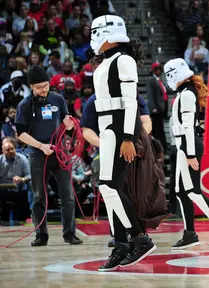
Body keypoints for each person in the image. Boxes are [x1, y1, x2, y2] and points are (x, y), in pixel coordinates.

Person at [89, 15, 156, 271]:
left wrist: (128, 137)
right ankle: (121, 244)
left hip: (119, 128)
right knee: (112, 187)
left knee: (109, 186)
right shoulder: (107, 62)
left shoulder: (123, 60)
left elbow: (130, 102)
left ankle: (139, 238)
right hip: (109, 128)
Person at [14, 65, 83, 246]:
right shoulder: (24, 105)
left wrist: (69, 124)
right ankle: (41, 235)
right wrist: (41, 146)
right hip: (38, 154)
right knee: (38, 196)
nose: (44, 90)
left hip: (60, 153)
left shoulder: (57, 99)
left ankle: (70, 234)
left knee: (67, 195)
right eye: (40, 87)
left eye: (46, 85)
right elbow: (21, 134)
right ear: (31, 87)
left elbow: (67, 124)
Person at [164, 58, 209, 249]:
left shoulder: (187, 95)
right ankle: (189, 233)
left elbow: (188, 126)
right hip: (184, 145)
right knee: (181, 192)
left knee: (192, 191)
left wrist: (189, 153)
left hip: (187, 145)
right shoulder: (186, 93)